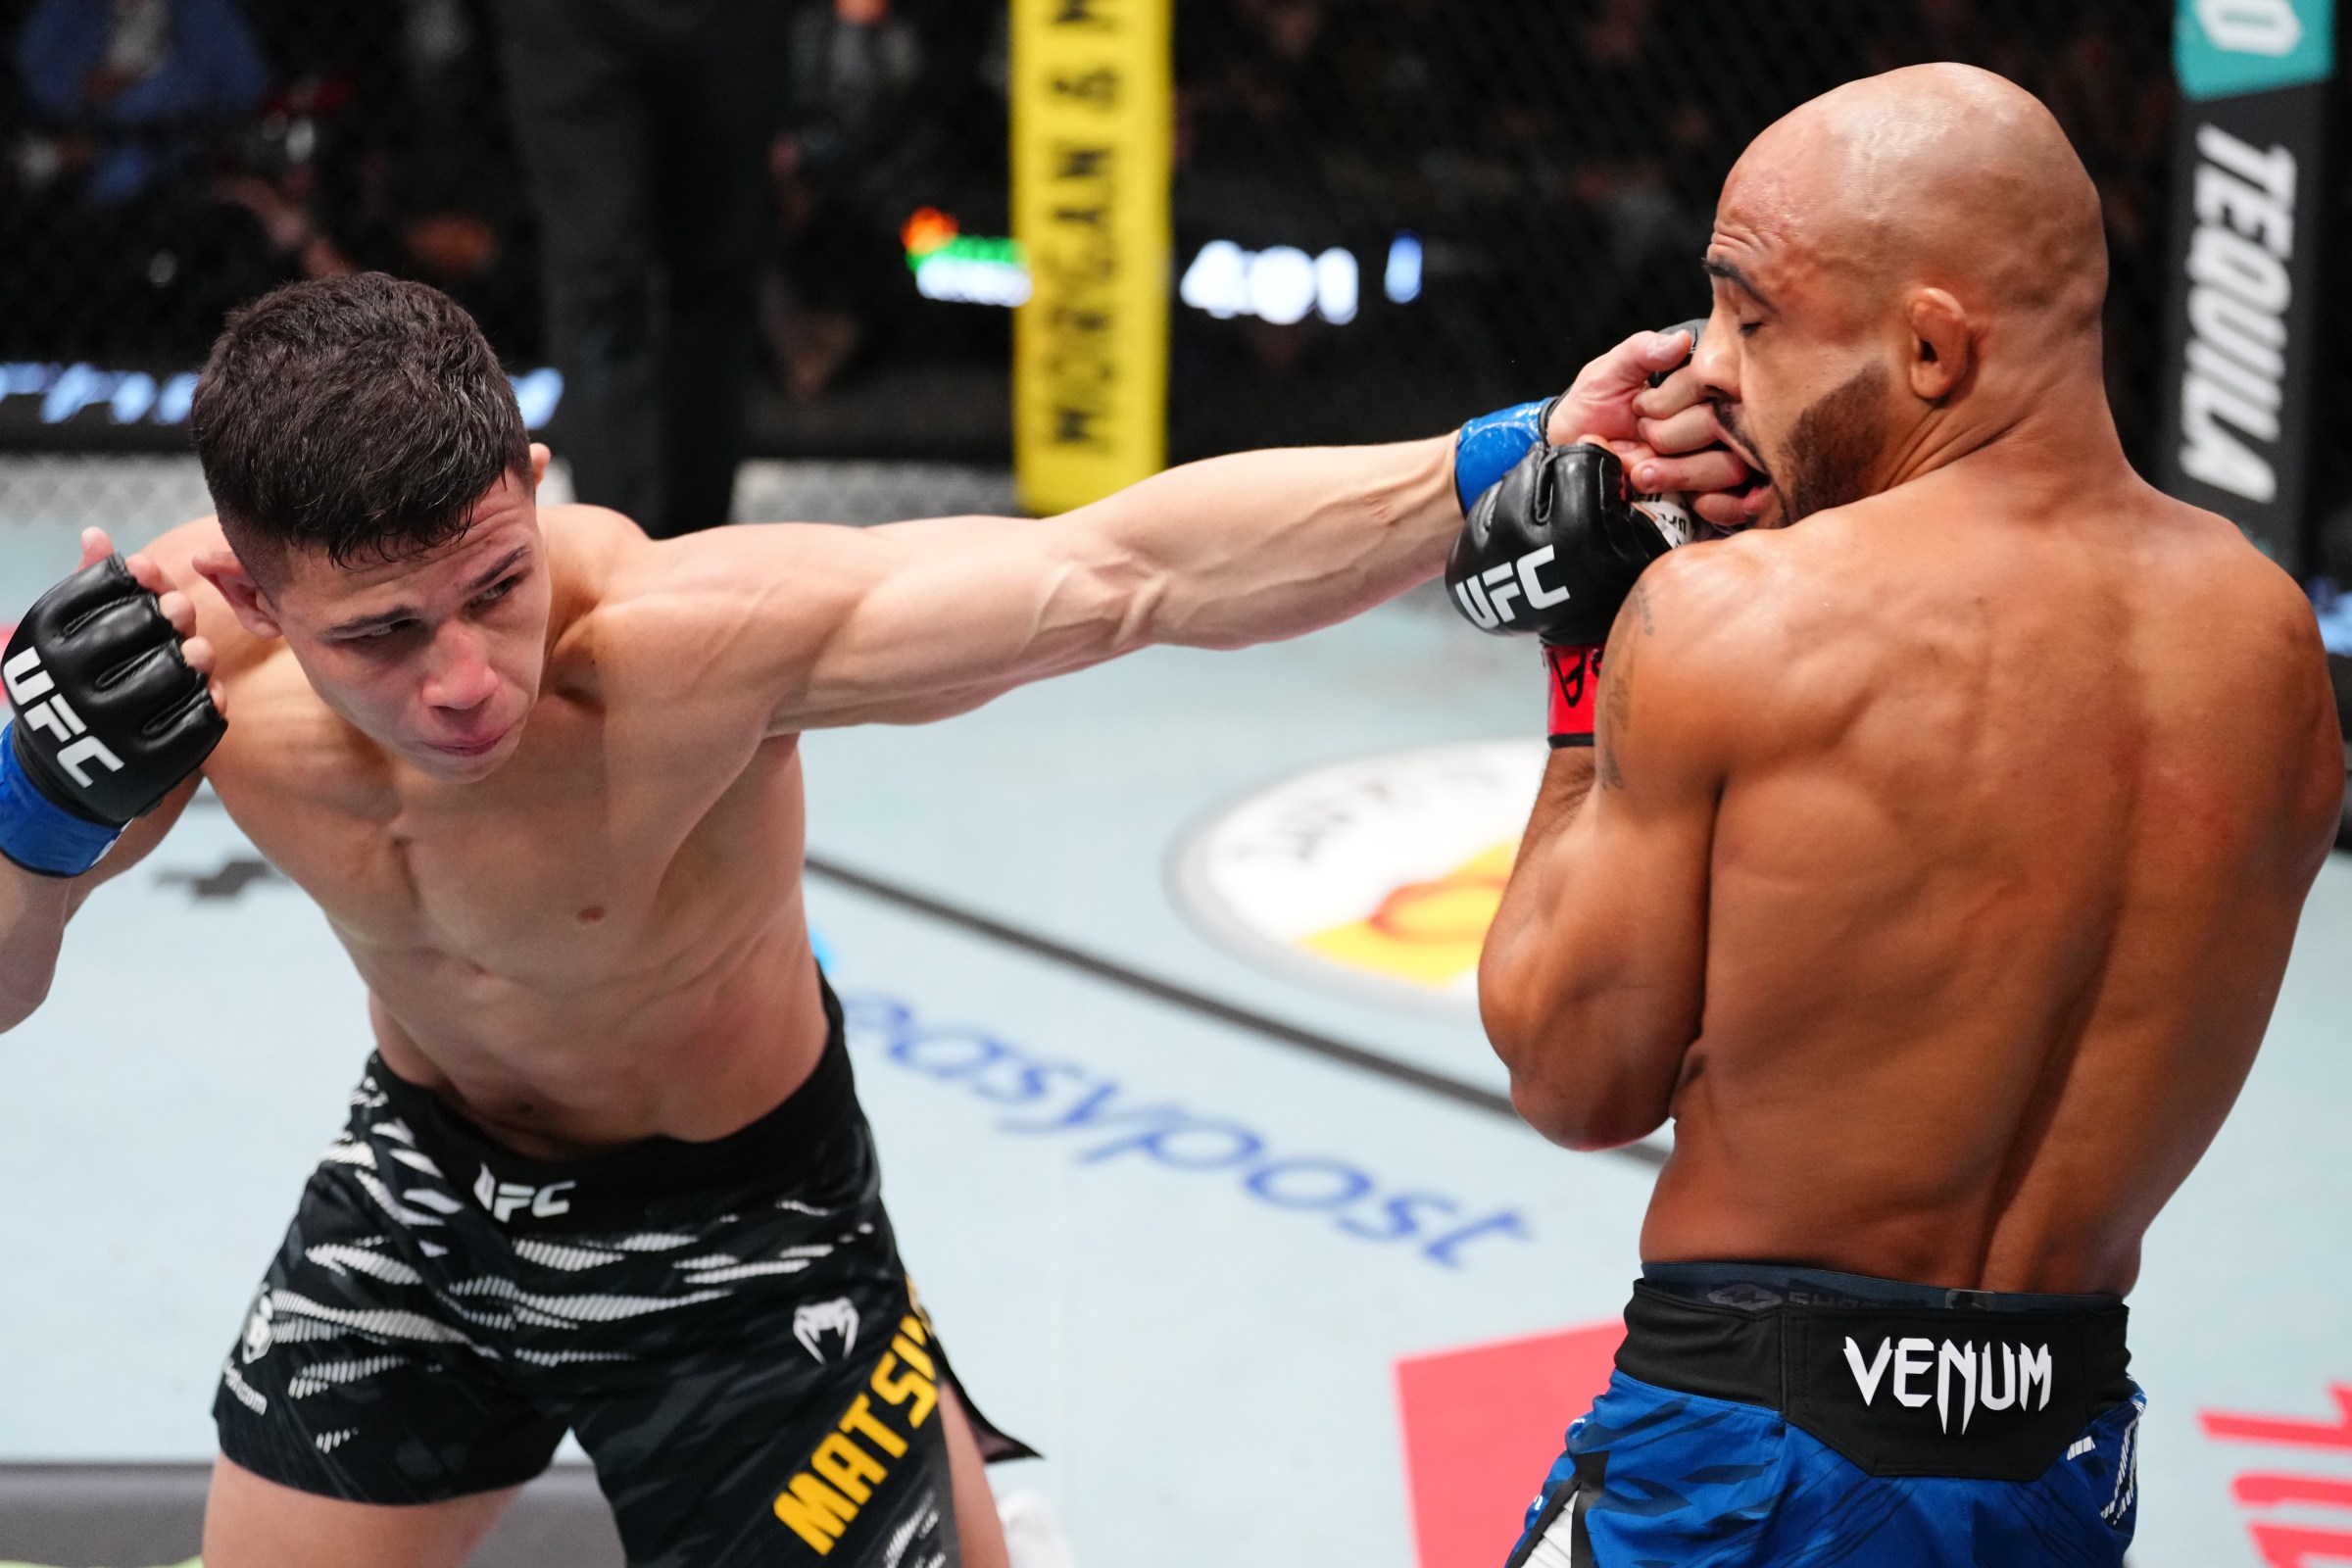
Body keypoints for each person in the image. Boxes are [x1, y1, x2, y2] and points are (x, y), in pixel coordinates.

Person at [0, 272, 1723, 1567]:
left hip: (743, 1230)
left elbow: (1125, 573)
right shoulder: (181, 690)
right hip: (425, 1194)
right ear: (254, 583)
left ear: (530, 484)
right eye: (378, 634)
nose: (463, 680)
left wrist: (1509, 452)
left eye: (495, 585)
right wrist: (31, 816)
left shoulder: (695, 641)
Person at [1444, 65, 2343, 1565]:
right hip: (2059, 1456)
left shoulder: (1733, 624)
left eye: (1750, 313)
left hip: (1759, 1450)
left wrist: (1585, 664)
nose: (1709, 367)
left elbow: (1572, 1074)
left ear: (1931, 346)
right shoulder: (2270, 654)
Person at [485, 0, 785, 538]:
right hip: (571, 23)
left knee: (717, 272)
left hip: (728, 22)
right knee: (598, 282)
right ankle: (614, 552)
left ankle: (700, 543)